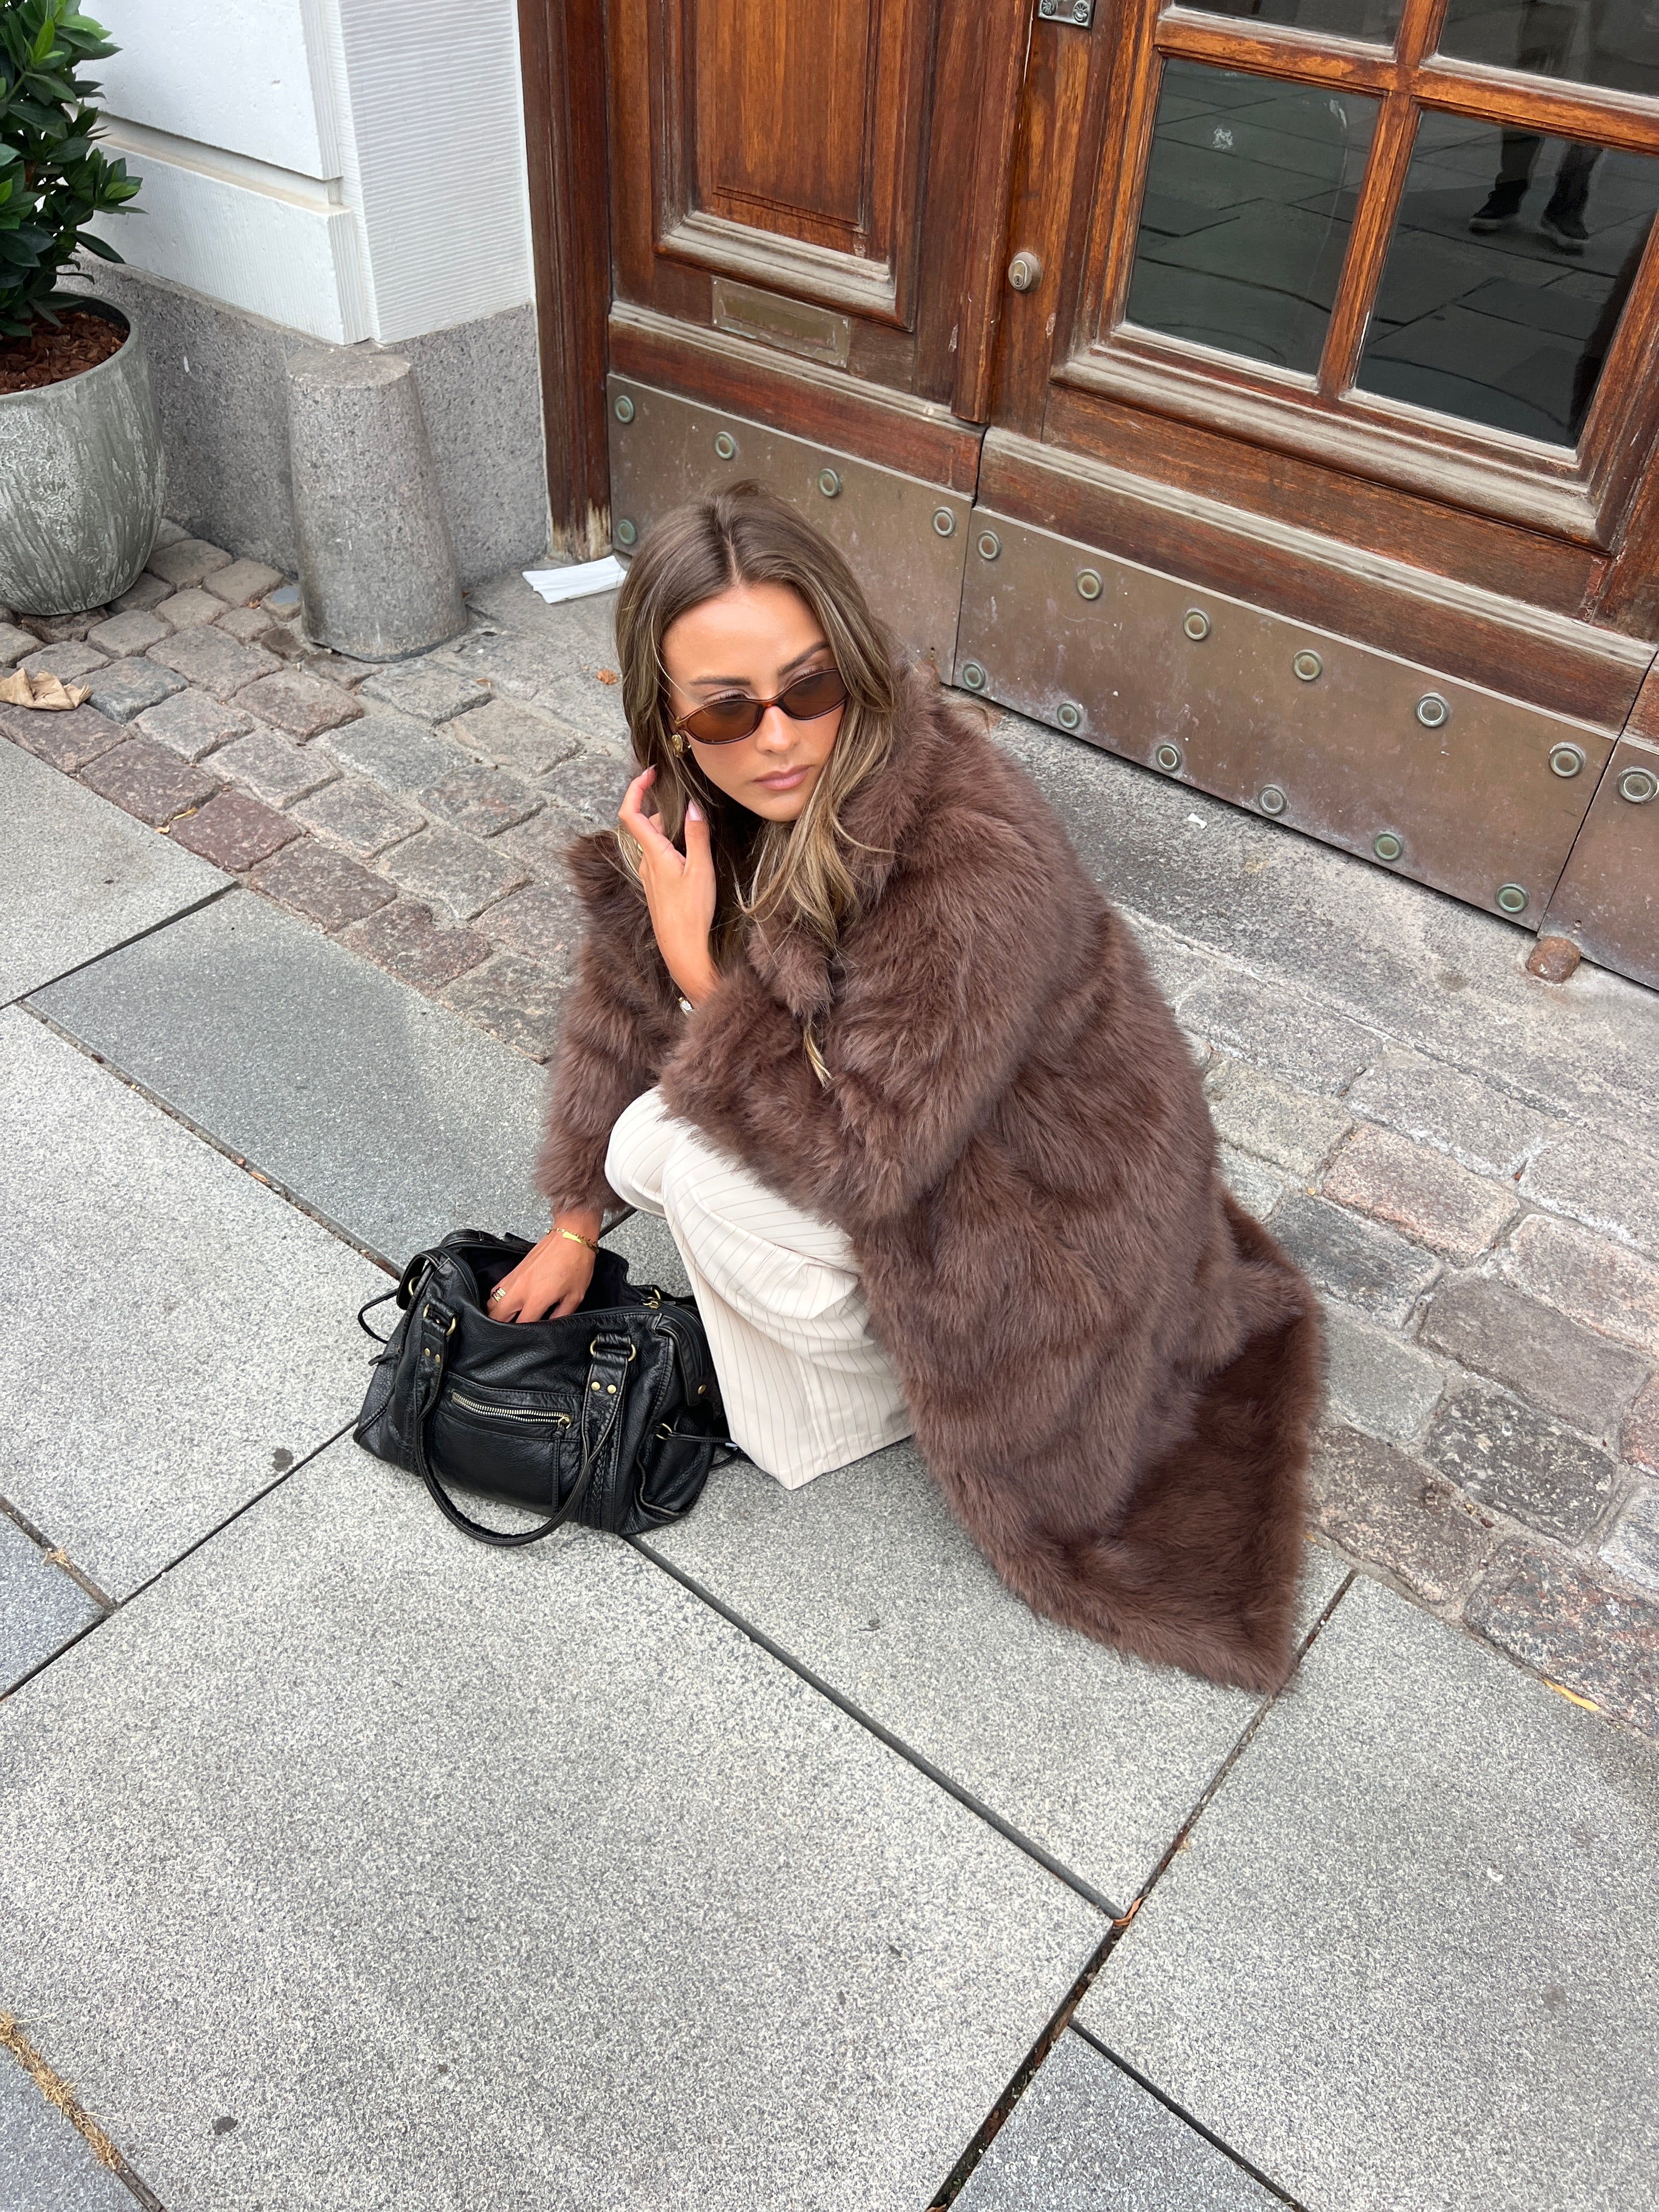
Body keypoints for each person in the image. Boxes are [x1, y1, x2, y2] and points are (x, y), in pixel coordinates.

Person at [489, 484, 1323, 1692]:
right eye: (725, 709)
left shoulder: (966, 845)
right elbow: (616, 1011)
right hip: (926, 1145)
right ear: (666, 717)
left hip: (1050, 1218)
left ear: (854, 665)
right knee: (634, 1147)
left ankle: (877, 1399)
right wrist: (574, 1225)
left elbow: (865, 1160)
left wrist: (700, 971)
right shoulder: (696, 814)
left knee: (686, 1168)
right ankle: (835, 1364)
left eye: (810, 687)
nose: (778, 739)